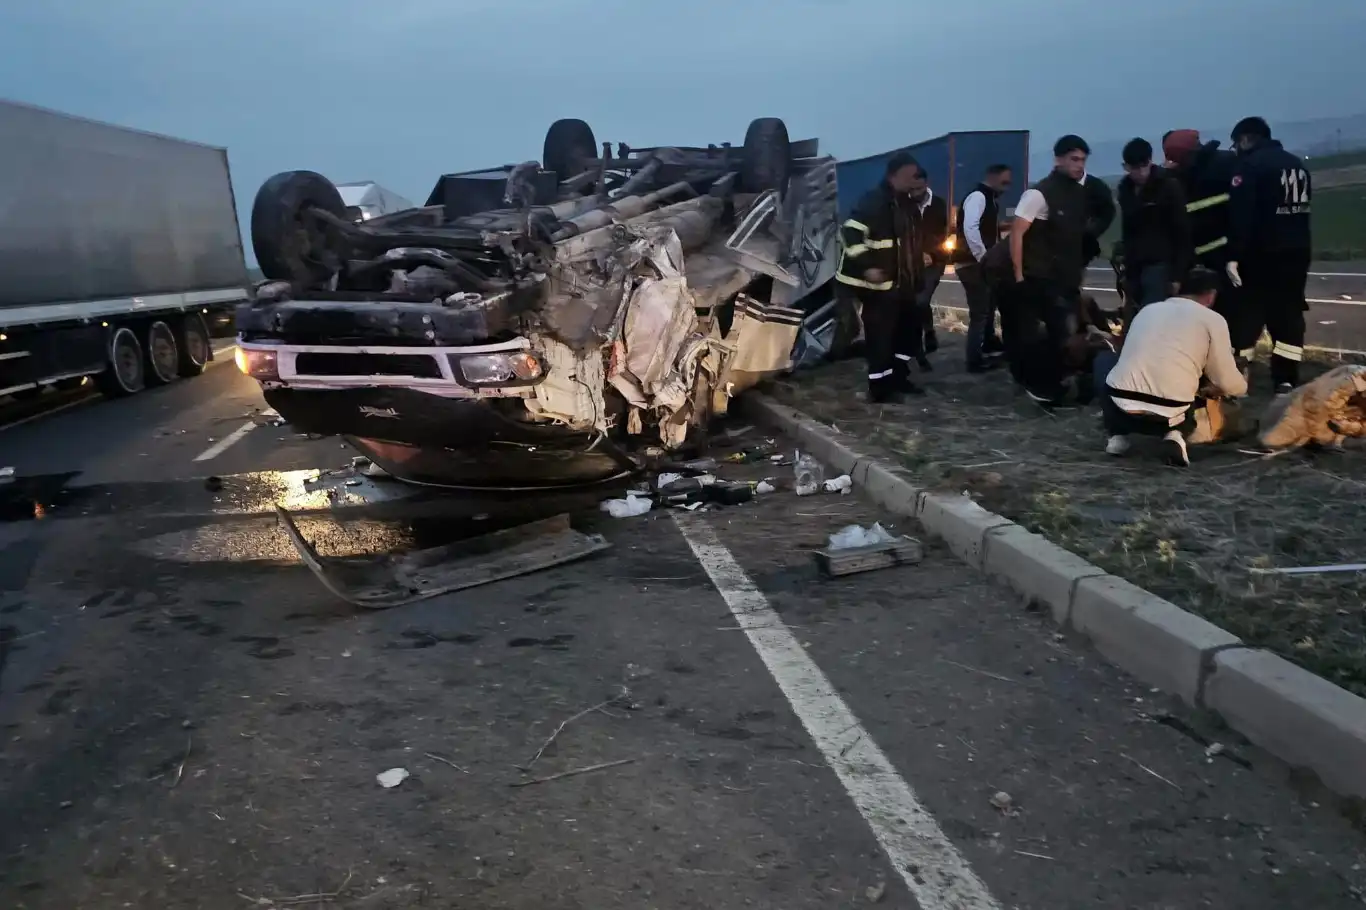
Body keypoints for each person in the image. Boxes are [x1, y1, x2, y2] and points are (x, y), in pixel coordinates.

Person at [1097, 267, 1247, 467]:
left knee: (1105, 361)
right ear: (1211, 296)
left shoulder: (1148, 309)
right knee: (1186, 379)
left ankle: (1117, 436)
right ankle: (1175, 435)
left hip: (1120, 404)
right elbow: (1227, 381)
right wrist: (1240, 387)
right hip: (1171, 410)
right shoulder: (1213, 320)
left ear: (1179, 290)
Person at [1225, 116, 1313, 392]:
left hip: (1262, 254)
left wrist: (1234, 255)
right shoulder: (1297, 165)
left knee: (1249, 312)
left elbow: (1242, 216)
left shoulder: (1249, 167)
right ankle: (1285, 379)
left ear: (1246, 139)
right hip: (1298, 252)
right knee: (1289, 314)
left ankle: (1239, 375)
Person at [1004, 134, 1092, 404]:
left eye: (1083, 160)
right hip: (1039, 277)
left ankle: (1060, 383)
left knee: (1066, 334)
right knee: (1041, 336)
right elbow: (1017, 233)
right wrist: (1019, 275)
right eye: (1074, 159)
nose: (1079, 165)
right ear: (1058, 160)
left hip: (1066, 279)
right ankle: (1041, 388)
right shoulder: (1038, 194)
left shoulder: (1078, 194)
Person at [836, 152, 927, 402]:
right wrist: (868, 267)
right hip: (878, 287)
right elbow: (850, 234)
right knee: (880, 338)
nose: (914, 180)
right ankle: (880, 389)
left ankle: (899, 378)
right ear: (893, 176)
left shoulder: (907, 204)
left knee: (907, 333)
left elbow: (907, 242)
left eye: (916, 175)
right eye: (910, 176)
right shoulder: (874, 201)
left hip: (903, 284)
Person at [1161, 129, 1242, 350]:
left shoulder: (1186, 178)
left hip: (1216, 253)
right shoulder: (1227, 161)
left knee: (1219, 311)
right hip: (1226, 250)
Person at [1116, 137, 1192, 319]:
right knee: (1134, 316)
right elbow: (1128, 230)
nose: (1140, 172)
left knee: (1152, 317)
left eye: (1144, 166)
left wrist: (1177, 276)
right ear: (1126, 167)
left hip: (1161, 264)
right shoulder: (1125, 189)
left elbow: (1182, 232)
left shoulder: (1168, 186)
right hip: (1135, 266)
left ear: (1150, 161)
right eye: (1134, 168)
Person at [955, 163, 1012, 372]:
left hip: (976, 262)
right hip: (971, 263)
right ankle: (974, 360)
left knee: (987, 307)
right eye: (1004, 182)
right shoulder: (979, 197)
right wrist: (984, 257)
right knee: (980, 312)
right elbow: (970, 228)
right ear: (993, 177)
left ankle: (987, 346)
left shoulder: (987, 199)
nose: (1007, 187)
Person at [907, 165, 951, 366]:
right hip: (911, 262)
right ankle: (926, 334)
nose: (914, 194)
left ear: (926, 184)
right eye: (911, 189)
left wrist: (930, 253)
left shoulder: (939, 205)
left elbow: (941, 234)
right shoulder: (904, 204)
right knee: (916, 303)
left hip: (934, 261)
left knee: (921, 300)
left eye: (918, 189)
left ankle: (922, 345)